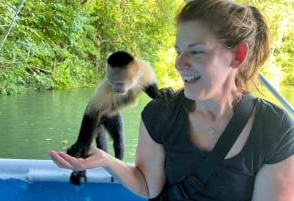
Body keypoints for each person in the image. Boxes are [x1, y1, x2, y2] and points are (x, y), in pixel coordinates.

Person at [49, 0, 294, 200]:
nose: (178, 63)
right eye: (178, 51)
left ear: (237, 55)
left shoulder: (275, 129)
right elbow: (148, 185)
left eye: (196, 51)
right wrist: (105, 159)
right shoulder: (160, 113)